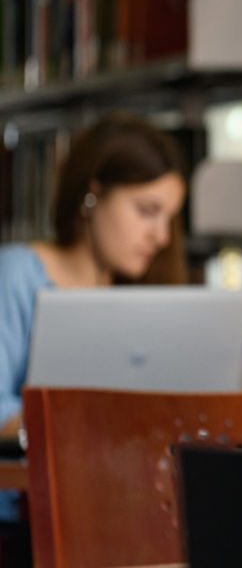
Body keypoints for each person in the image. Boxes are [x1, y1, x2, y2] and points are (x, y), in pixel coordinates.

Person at [0, 113, 188, 437]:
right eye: (146, 211)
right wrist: (80, 425)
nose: (162, 237)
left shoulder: (141, 294)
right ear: (92, 197)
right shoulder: (17, 274)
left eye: (168, 218)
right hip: (32, 483)